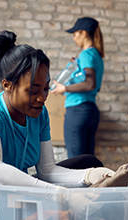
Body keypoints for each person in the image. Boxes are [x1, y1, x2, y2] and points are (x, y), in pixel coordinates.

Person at [0, 30, 128, 220]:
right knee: (51, 212)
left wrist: (90, 175)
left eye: (46, 88)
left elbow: (47, 170)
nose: (42, 98)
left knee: (90, 162)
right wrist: (58, 195)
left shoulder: (39, 114)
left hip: (15, 195)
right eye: (32, 91)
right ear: (7, 85)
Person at [50, 17, 104, 158]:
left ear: (83, 33)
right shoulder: (96, 55)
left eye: (75, 35)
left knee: (75, 160)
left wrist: (64, 89)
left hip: (77, 111)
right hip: (90, 110)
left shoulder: (86, 54)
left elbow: (90, 83)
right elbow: (94, 86)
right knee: (87, 161)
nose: (74, 39)